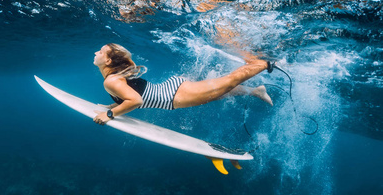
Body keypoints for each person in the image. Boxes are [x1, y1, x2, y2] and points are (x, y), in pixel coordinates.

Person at [93, 43, 274, 125]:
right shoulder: (115, 78)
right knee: (221, 92)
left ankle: (263, 63)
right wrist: (112, 105)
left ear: (108, 61)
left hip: (175, 95)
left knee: (228, 82)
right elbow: (128, 94)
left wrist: (110, 114)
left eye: (100, 52)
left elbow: (136, 101)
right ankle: (255, 91)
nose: (96, 52)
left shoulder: (111, 80)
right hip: (172, 87)